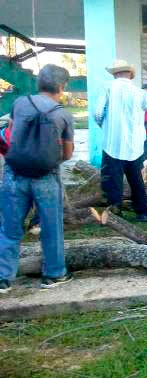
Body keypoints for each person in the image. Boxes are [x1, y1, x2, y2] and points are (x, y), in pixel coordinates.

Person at [0, 64, 75, 293]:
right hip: (46, 176)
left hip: (14, 172)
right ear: (61, 87)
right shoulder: (63, 114)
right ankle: (53, 274)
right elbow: (68, 153)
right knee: (52, 227)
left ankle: (3, 278)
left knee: (9, 228)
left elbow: (11, 132)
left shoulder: (20, 103)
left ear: (39, 83)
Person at [94, 59, 147, 221]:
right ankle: (143, 212)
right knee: (136, 179)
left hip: (112, 143)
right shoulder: (140, 93)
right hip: (134, 146)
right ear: (130, 75)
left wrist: (106, 128)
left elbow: (97, 114)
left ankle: (114, 211)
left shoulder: (107, 88)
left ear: (115, 73)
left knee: (112, 179)